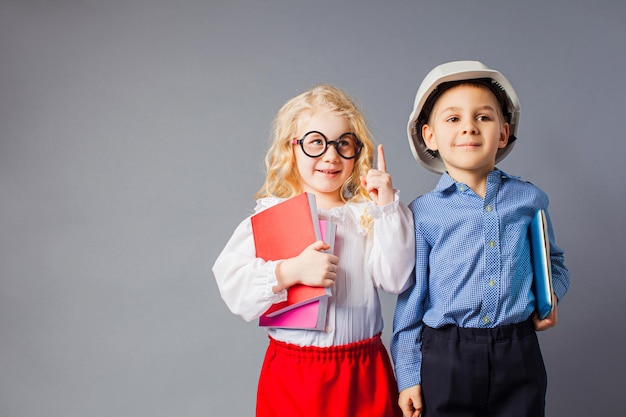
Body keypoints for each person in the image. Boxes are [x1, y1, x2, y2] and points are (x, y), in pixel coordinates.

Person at [213, 84, 415, 417]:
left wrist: (386, 206)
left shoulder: (368, 215)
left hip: (364, 371)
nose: (331, 156)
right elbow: (234, 287)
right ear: (291, 149)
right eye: (316, 143)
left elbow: (395, 279)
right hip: (296, 375)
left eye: (343, 144)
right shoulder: (272, 217)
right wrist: (290, 271)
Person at [391, 61, 571, 417]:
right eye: (453, 119)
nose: (469, 128)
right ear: (430, 137)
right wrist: (409, 374)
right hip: (446, 355)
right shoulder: (423, 213)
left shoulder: (529, 199)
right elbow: (411, 299)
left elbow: (555, 265)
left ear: (503, 134)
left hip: (517, 350)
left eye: (483, 117)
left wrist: (549, 297)